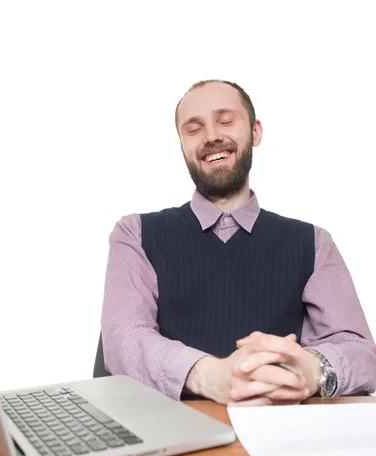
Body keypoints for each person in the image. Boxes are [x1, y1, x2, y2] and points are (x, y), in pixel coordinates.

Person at [100, 79, 376, 406]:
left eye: (226, 120)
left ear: (256, 132)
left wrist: (311, 370)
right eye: (193, 128)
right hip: (170, 438)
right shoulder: (135, 234)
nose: (211, 136)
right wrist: (211, 375)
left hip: (280, 434)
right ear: (182, 145)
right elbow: (122, 342)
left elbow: (360, 350)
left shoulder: (313, 243)